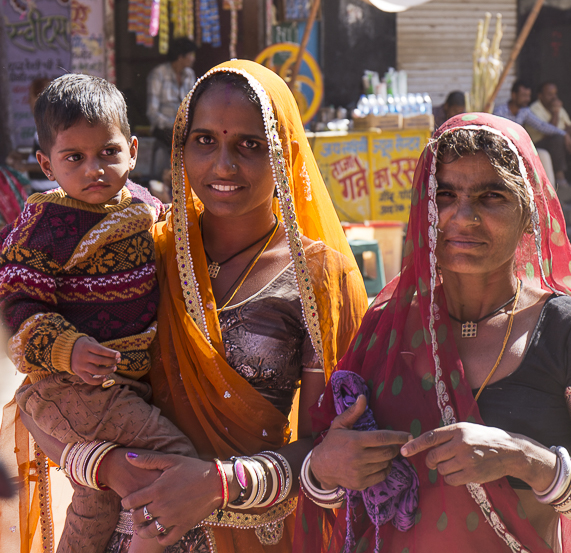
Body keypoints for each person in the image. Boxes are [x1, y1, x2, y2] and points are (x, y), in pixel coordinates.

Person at [4, 60, 368, 553]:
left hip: (253, 535)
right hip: (128, 528)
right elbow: (44, 400)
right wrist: (111, 468)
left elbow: (332, 459)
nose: (223, 165)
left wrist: (218, 484)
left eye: (250, 144)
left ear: (285, 152)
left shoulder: (319, 276)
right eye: (204, 141)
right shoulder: (144, 248)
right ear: (180, 146)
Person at [294, 114, 571, 553]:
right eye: (444, 194)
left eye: (491, 196)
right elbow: (331, 486)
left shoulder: (568, 332)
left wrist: (525, 459)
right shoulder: (387, 325)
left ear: (529, 214)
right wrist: (325, 468)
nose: (462, 216)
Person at [0, 73, 190, 553]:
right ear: (47, 164)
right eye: (74, 158)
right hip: (72, 388)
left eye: (108, 152)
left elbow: (172, 231)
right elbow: (16, 306)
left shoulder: (143, 204)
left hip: (123, 387)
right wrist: (68, 348)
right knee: (179, 462)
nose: (95, 170)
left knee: (94, 505)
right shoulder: (46, 226)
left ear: (130, 147)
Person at [494, 81, 569, 186]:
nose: (527, 99)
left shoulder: (524, 111)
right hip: (504, 151)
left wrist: (564, 134)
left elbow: (542, 126)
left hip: (521, 150)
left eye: (528, 96)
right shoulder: (499, 112)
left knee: (544, 155)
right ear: (513, 95)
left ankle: (549, 196)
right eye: (524, 96)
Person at [528, 82, 571, 186]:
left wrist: (566, 136)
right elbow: (548, 131)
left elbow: (570, 128)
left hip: (562, 145)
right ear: (540, 96)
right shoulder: (534, 109)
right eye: (550, 94)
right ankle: (559, 177)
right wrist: (556, 113)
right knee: (557, 138)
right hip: (542, 146)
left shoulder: (558, 106)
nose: (554, 97)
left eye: (555, 93)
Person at [5, 77, 58, 192]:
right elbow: (40, 155)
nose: (28, 101)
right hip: (42, 193)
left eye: (30, 97)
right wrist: (22, 156)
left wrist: (25, 167)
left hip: (51, 194)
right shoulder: (42, 125)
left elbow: (54, 162)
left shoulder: (51, 127)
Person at [147, 38, 197, 152]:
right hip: (163, 128)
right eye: (190, 55)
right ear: (180, 57)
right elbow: (152, 112)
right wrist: (174, 125)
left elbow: (192, 105)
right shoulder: (159, 74)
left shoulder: (189, 74)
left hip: (183, 128)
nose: (193, 59)